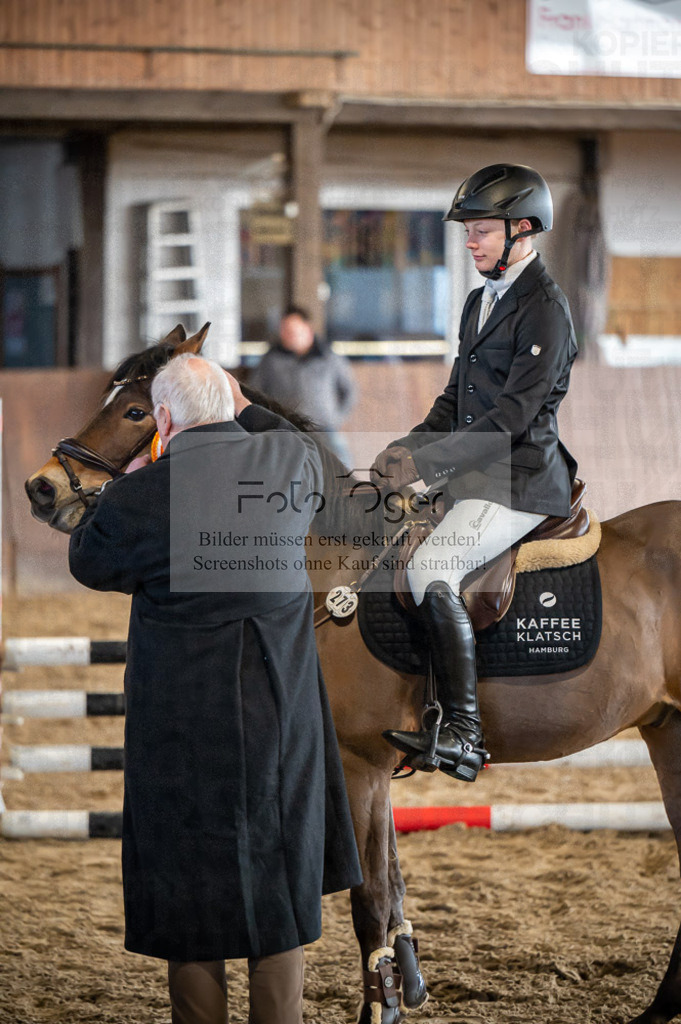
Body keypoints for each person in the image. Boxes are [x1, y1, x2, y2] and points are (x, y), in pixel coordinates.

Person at [69, 353, 362, 1024]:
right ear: (232, 404)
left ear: (162, 420)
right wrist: (236, 401)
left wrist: (135, 480)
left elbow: (88, 562)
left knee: (185, 892)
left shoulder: (135, 498)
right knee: (279, 886)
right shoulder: (292, 462)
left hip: (178, 724)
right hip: (279, 717)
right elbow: (285, 435)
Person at [371, 164, 578, 784]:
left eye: (481, 231)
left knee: (431, 565)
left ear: (522, 229)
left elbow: (512, 416)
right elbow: (456, 398)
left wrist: (426, 466)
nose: (470, 241)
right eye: (469, 230)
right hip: (476, 474)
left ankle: (463, 731)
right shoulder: (479, 300)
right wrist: (404, 447)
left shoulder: (545, 309)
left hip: (521, 479)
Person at [249, 305, 357, 467]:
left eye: (292, 330)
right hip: (287, 431)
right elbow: (254, 392)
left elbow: (349, 391)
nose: (287, 335)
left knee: (342, 468)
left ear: (307, 329)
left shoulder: (328, 356)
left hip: (325, 429)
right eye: (284, 330)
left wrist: (336, 418)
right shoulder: (271, 360)